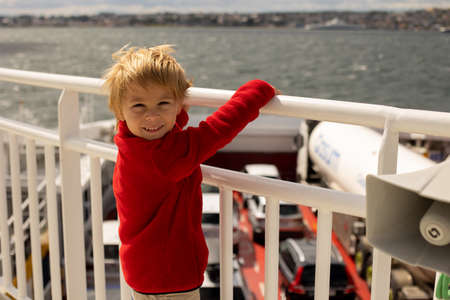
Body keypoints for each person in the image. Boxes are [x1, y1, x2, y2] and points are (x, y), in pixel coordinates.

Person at [102, 44, 276, 300]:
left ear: (178, 106)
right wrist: (259, 90)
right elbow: (218, 129)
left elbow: (162, 128)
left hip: (141, 271)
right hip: (171, 275)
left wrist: (168, 115)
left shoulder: (130, 143)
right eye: (139, 106)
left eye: (163, 103)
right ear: (120, 112)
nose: (152, 116)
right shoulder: (167, 156)